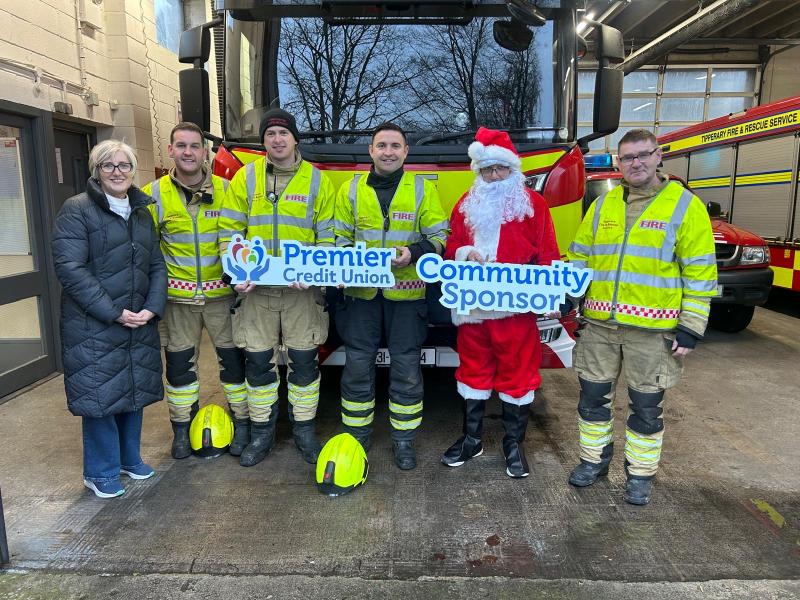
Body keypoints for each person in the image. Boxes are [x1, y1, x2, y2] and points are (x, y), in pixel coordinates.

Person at [566, 128, 717, 505]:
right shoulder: (603, 205)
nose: (636, 163)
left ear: (658, 156)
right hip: (599, 326)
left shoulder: (684, 206)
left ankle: (640, 475)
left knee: (646, 409)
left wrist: (691, 326)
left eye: (643, 155)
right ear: (619, 163)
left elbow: (700, 272)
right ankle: (593, 461)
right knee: (591, 400)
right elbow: (580, 255)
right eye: (628, 157)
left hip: (652, 332)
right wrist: (569, 293)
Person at [440, 127, 561, 478]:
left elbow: (548, 253)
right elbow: (450, 247)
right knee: (472, 371)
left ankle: (513, 444)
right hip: (473, 308)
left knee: (518, 374)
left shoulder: (533, 205)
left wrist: (551, 295)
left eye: (500, 169)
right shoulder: (465, 204)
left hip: (515, 309)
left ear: (513, 169)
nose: (494, 176)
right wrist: (464, 252)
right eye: (487, 170)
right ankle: (471, 439)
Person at [218, 108, 336, 467]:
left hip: (302, 293)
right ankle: (262, 434)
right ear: (264, 141)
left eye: (284, 133)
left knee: (305, 365)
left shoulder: (317, 181)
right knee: (258, 366)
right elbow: (229, 230)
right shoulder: (246, 177)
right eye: (270, 134)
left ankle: (304, 433)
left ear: (295, 139)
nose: (277, 139)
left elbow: (328, 236)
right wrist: (235, 271)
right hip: (255, 293)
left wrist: (314, 271)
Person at [52, 140, 167, 498]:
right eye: (108, 165)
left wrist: (152, 306)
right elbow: (70, 268)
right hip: (95, 323)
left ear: (133, 170)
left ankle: (129, 459)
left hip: (137, 318)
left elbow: (156, 264)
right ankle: (100, 472)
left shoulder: (142, 211)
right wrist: (113, 312)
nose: (117, 172)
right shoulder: (77, 209)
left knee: (131, 388)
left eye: (124, 165)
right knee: (100, 396)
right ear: (96, 171)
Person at [333, 122, 449, 470]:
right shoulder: (350, 190)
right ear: (371, 151)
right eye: (381, 145)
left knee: (407, 368)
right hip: (361, 295)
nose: (388, 152)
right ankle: (356, 437)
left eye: (395, 146)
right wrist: (346, 264)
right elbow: (338, 238)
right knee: (357, 365)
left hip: (407, 297)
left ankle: (404, 440)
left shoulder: (422, 189)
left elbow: (440, 237)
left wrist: (413, 253)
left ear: (405, 152)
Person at [142, 122, 247, 460]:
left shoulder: (229, 190)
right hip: (177, 302)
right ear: (170, 150)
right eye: (181, 146)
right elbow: (145, 250)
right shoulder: (152, 194)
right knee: (179, 371)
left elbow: (244, 238)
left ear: (205, 152)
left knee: (234, 367)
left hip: (223, 299)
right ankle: (182, 431)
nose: (188, 152)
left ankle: (241, 425)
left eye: (194, 146)